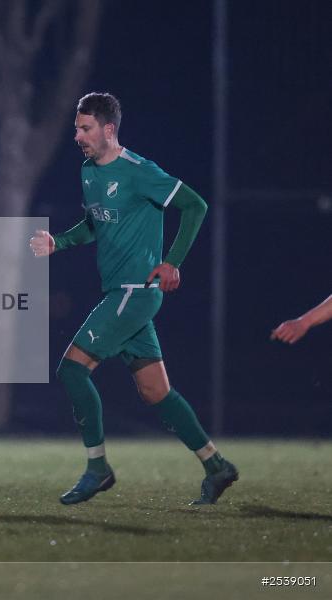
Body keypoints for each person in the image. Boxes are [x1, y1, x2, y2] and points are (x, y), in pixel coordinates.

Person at [30, 92, 238, 506]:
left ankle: (97, 468)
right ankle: (217, 466)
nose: (77, 136)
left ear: (109, 129)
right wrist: (59, 242)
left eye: (85, 128)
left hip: (134, 293)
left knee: (72, 370)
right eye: (76, 128)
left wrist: (172, 262)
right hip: (120, 294)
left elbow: (195, 205)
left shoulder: (140, 171)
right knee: (155, 391)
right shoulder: (89, 171)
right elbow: (94, 223)